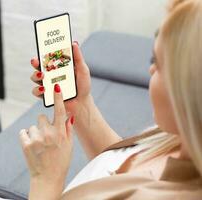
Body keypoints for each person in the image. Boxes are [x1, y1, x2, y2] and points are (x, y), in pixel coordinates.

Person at [20, 0, 202, 199]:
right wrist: (80, 105)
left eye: (156, 62)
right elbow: (121, 169)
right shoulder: (181, 137)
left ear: (188, 91)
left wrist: (45, 179)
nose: (150, 70)